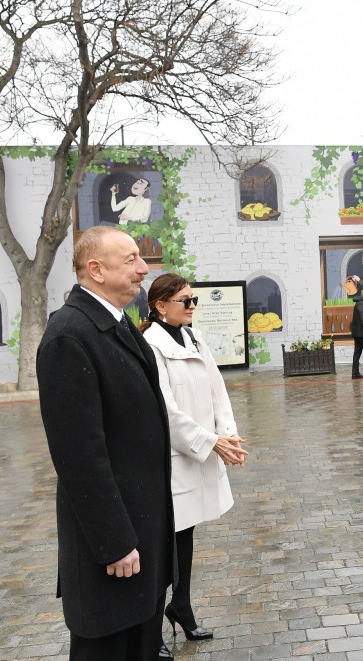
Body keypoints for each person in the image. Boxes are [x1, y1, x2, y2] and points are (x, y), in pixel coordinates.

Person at [37, 227, 176, 661]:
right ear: (95, 270)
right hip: (115, 549)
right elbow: (79, 456)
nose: (144, 269)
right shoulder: (69, 335)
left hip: (143, 534)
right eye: (132, 259)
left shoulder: (115, 323)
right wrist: (114, 541)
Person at [138, 274, 249, 650]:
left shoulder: (195, 337)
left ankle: (181, 605)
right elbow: (164, 411)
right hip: (175, 457)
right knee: (164, 543)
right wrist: (211, 442)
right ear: (159, 305)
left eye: (193, 300)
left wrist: (228, 435)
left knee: (185, 536)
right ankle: (151, 629)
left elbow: (218, 390)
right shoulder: (149, 345)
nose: (191, 306)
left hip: (202, 450)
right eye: (184, 300)